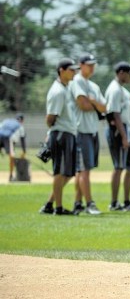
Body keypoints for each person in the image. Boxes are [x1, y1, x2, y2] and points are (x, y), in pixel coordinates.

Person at [39, 58, 79, 215]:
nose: (74, 72)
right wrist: (52, 135)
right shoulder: (58, 91)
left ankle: (50, 204)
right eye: (71, 69)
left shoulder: (66, 88)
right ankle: (59, 208)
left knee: (68, 173)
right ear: (61, 70)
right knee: (60, 172)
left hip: (68, 133)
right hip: (61, 134)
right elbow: (50, 118)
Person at [69, 53, 106, 215]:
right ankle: (90, 203)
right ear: (81, 65)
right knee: (84, 170)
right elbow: (83, 105)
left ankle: (78, 203)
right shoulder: (76, 81)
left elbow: (105, 108)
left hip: (92, 131)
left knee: (83, 170)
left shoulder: (94, 86)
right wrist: (94, 103)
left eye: (93, 65)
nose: (91, 67)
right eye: (88, 64)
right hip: (81, 130)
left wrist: (93, 102)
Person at [104, 61, 130, 212]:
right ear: (121, 73)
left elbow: (124, 105)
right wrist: (124, 136)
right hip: (118, 130)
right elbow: (115, 114)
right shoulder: (114, 89)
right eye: (129, 74)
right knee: (119, 167)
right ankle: (114, 202)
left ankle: (126, 201)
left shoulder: (122, 90)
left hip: (126, 128)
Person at [1, 114, 26, 182]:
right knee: (12, 157)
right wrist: (24, 151)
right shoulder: (20, 126)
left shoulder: (6, 121)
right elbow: (22, 140)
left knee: (12, 156)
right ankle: (11, 176)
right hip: (8, 138)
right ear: (22, 120)